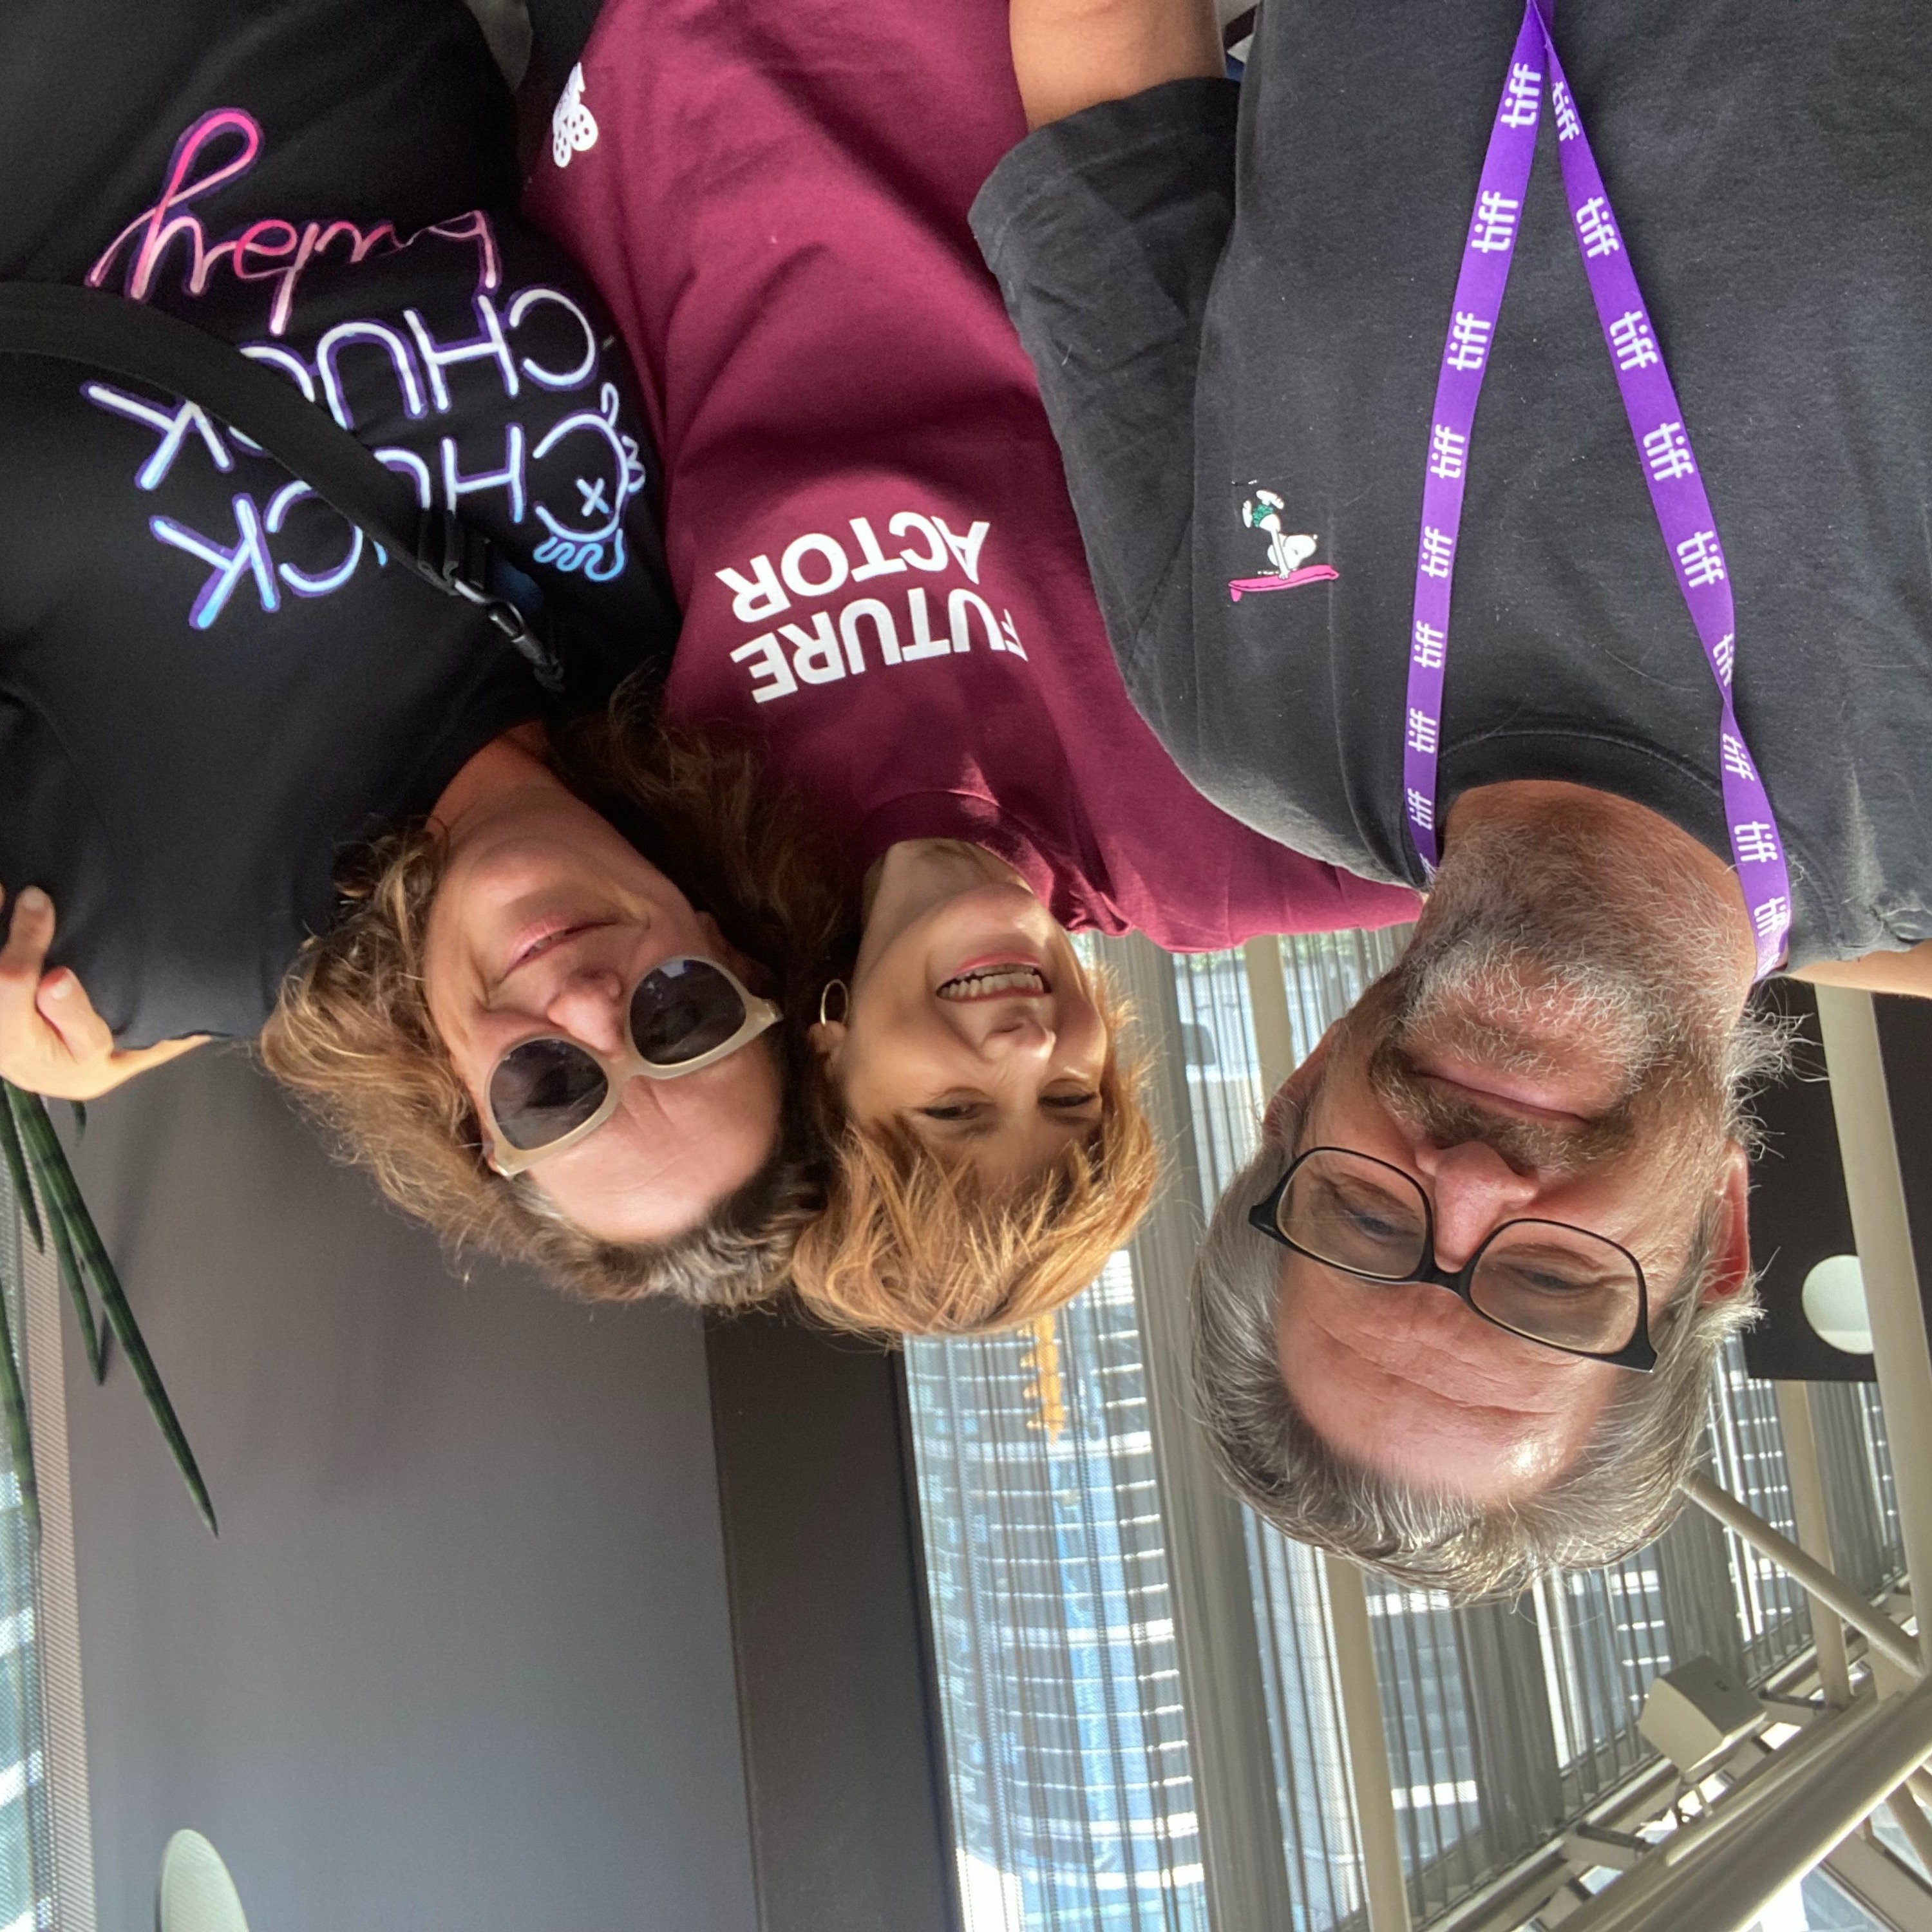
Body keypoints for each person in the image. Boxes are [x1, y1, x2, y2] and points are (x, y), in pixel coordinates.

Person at [972, 0, 1930, 1587]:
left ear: (1291, 1113)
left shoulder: (1239, 721)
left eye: (1363, 1228)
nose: (1472, 1189)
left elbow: (1105, 109)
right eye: (1552, 1289)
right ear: (1720, 1246)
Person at [515, 0, 1419, 1333]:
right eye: (1069, 1098)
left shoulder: (687, 859)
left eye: (952, 1109)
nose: (1027, 1047)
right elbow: (1681, 884)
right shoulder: (1219, 843)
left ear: (827, 1060)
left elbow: (423, 880)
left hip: (644, 72)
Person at [0, 0, 840, 1305]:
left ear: (471, 1118)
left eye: (555, 1093)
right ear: (728, 950)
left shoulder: (156, 934)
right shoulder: (663, 647)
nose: (583, 1009)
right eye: (678, 1022)